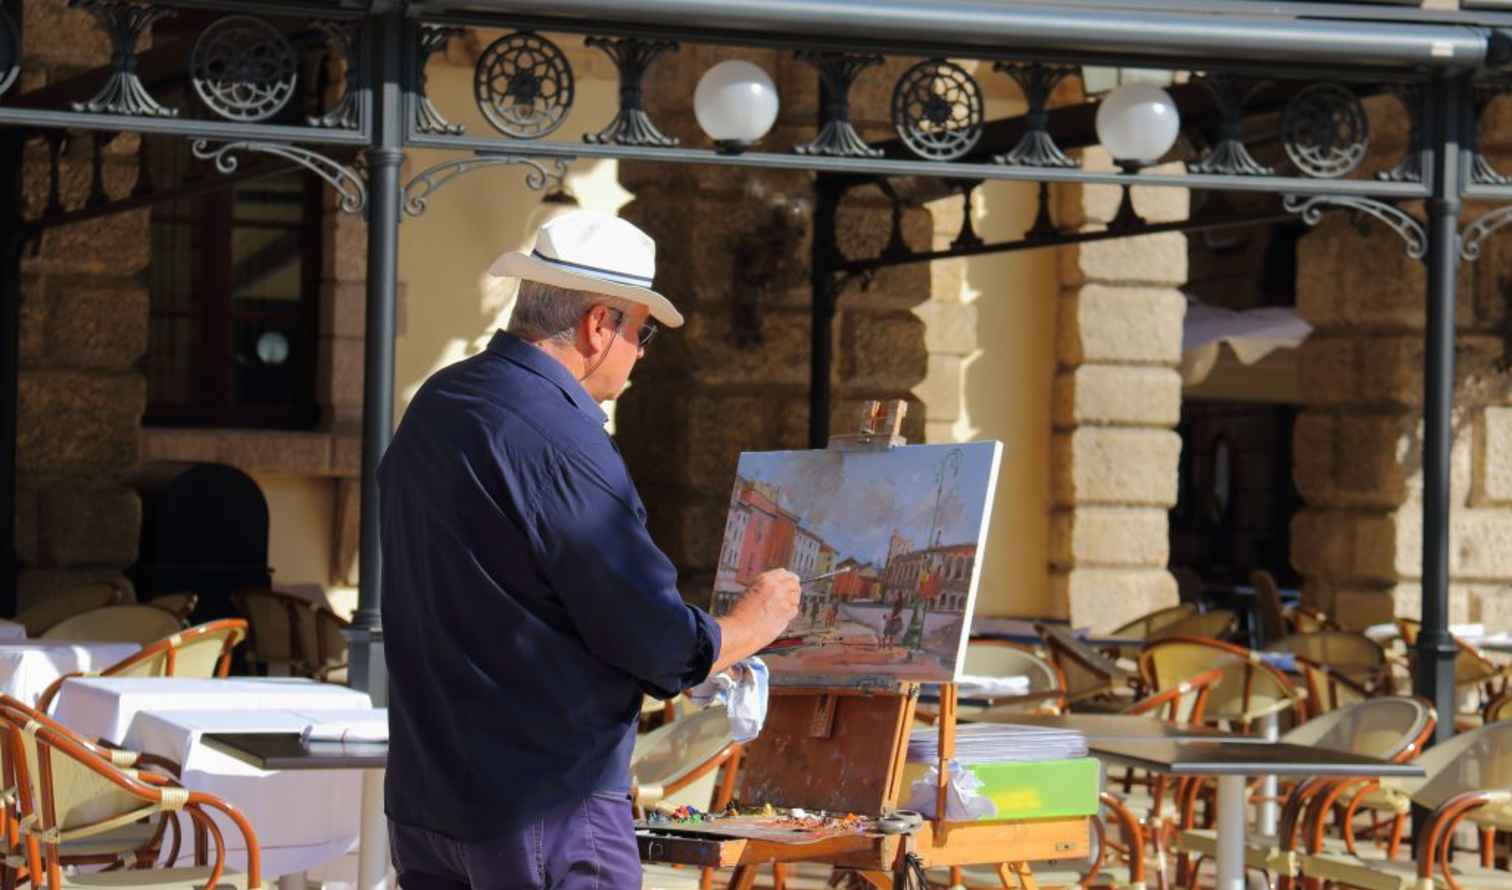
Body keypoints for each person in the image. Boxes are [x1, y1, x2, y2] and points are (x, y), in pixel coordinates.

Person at [378, 210, 801, 890]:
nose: (639, 353)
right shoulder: (560, 436)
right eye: (641, 333)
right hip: (543, 806)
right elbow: (654, 638)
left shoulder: (440, 400)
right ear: (598, 325)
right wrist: (752, 623)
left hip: (431, 799)